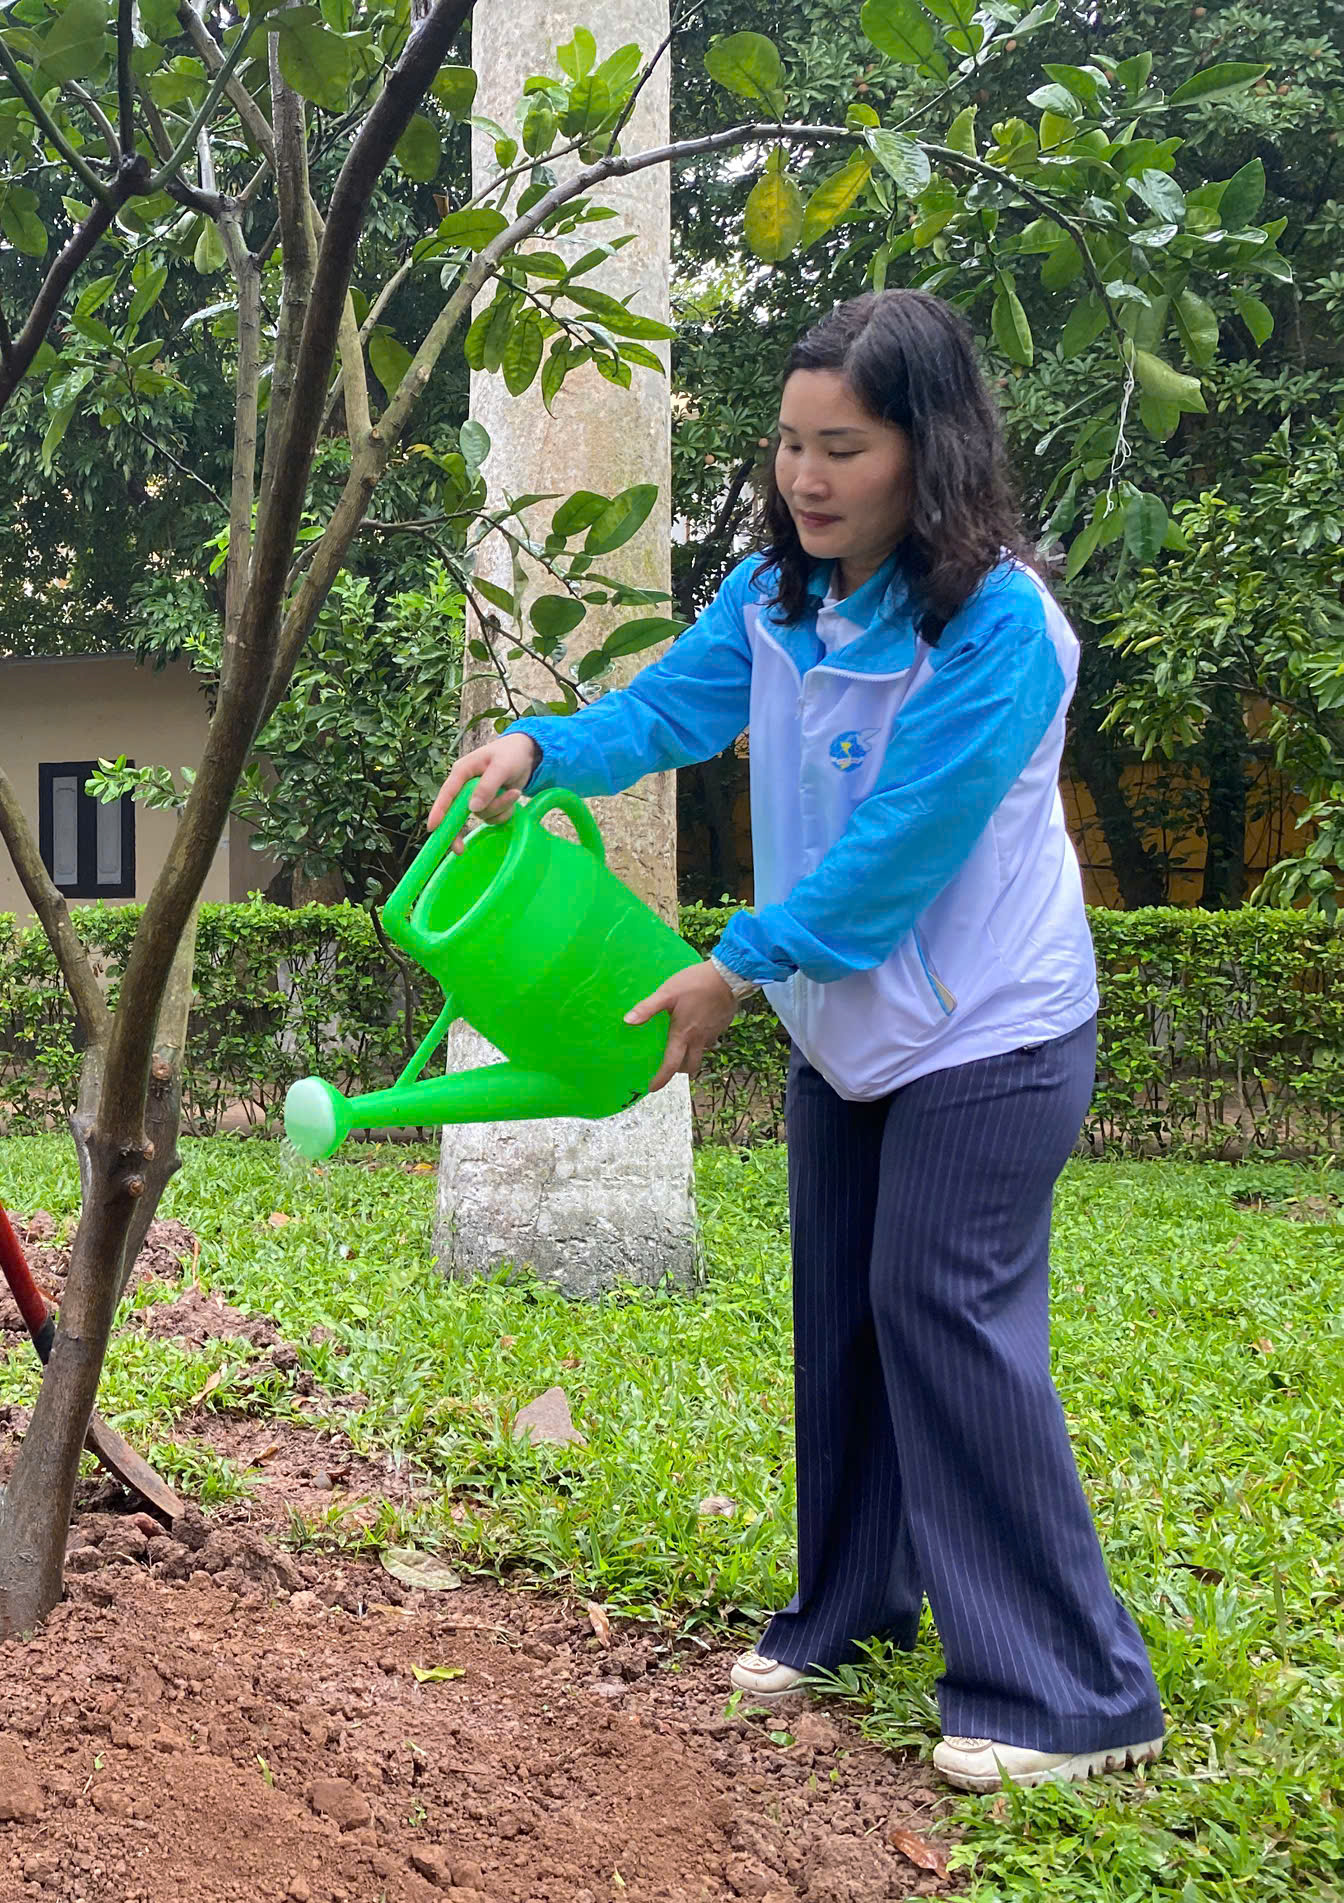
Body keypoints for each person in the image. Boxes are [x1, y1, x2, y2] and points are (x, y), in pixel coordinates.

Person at [431, 290, 1164, 1794]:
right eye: (788, 444)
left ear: (927, 451)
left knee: (939, 1304)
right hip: (852, 1038)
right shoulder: (780, 593)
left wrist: (734, 969)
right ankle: (849, 1607)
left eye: (843, 447)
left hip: (993, 1030)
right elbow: (671, 711)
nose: (805, 478)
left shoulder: (1002, 622)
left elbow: (907, 844)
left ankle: (1074, 1686)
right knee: (843, 1308)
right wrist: (538, 745)